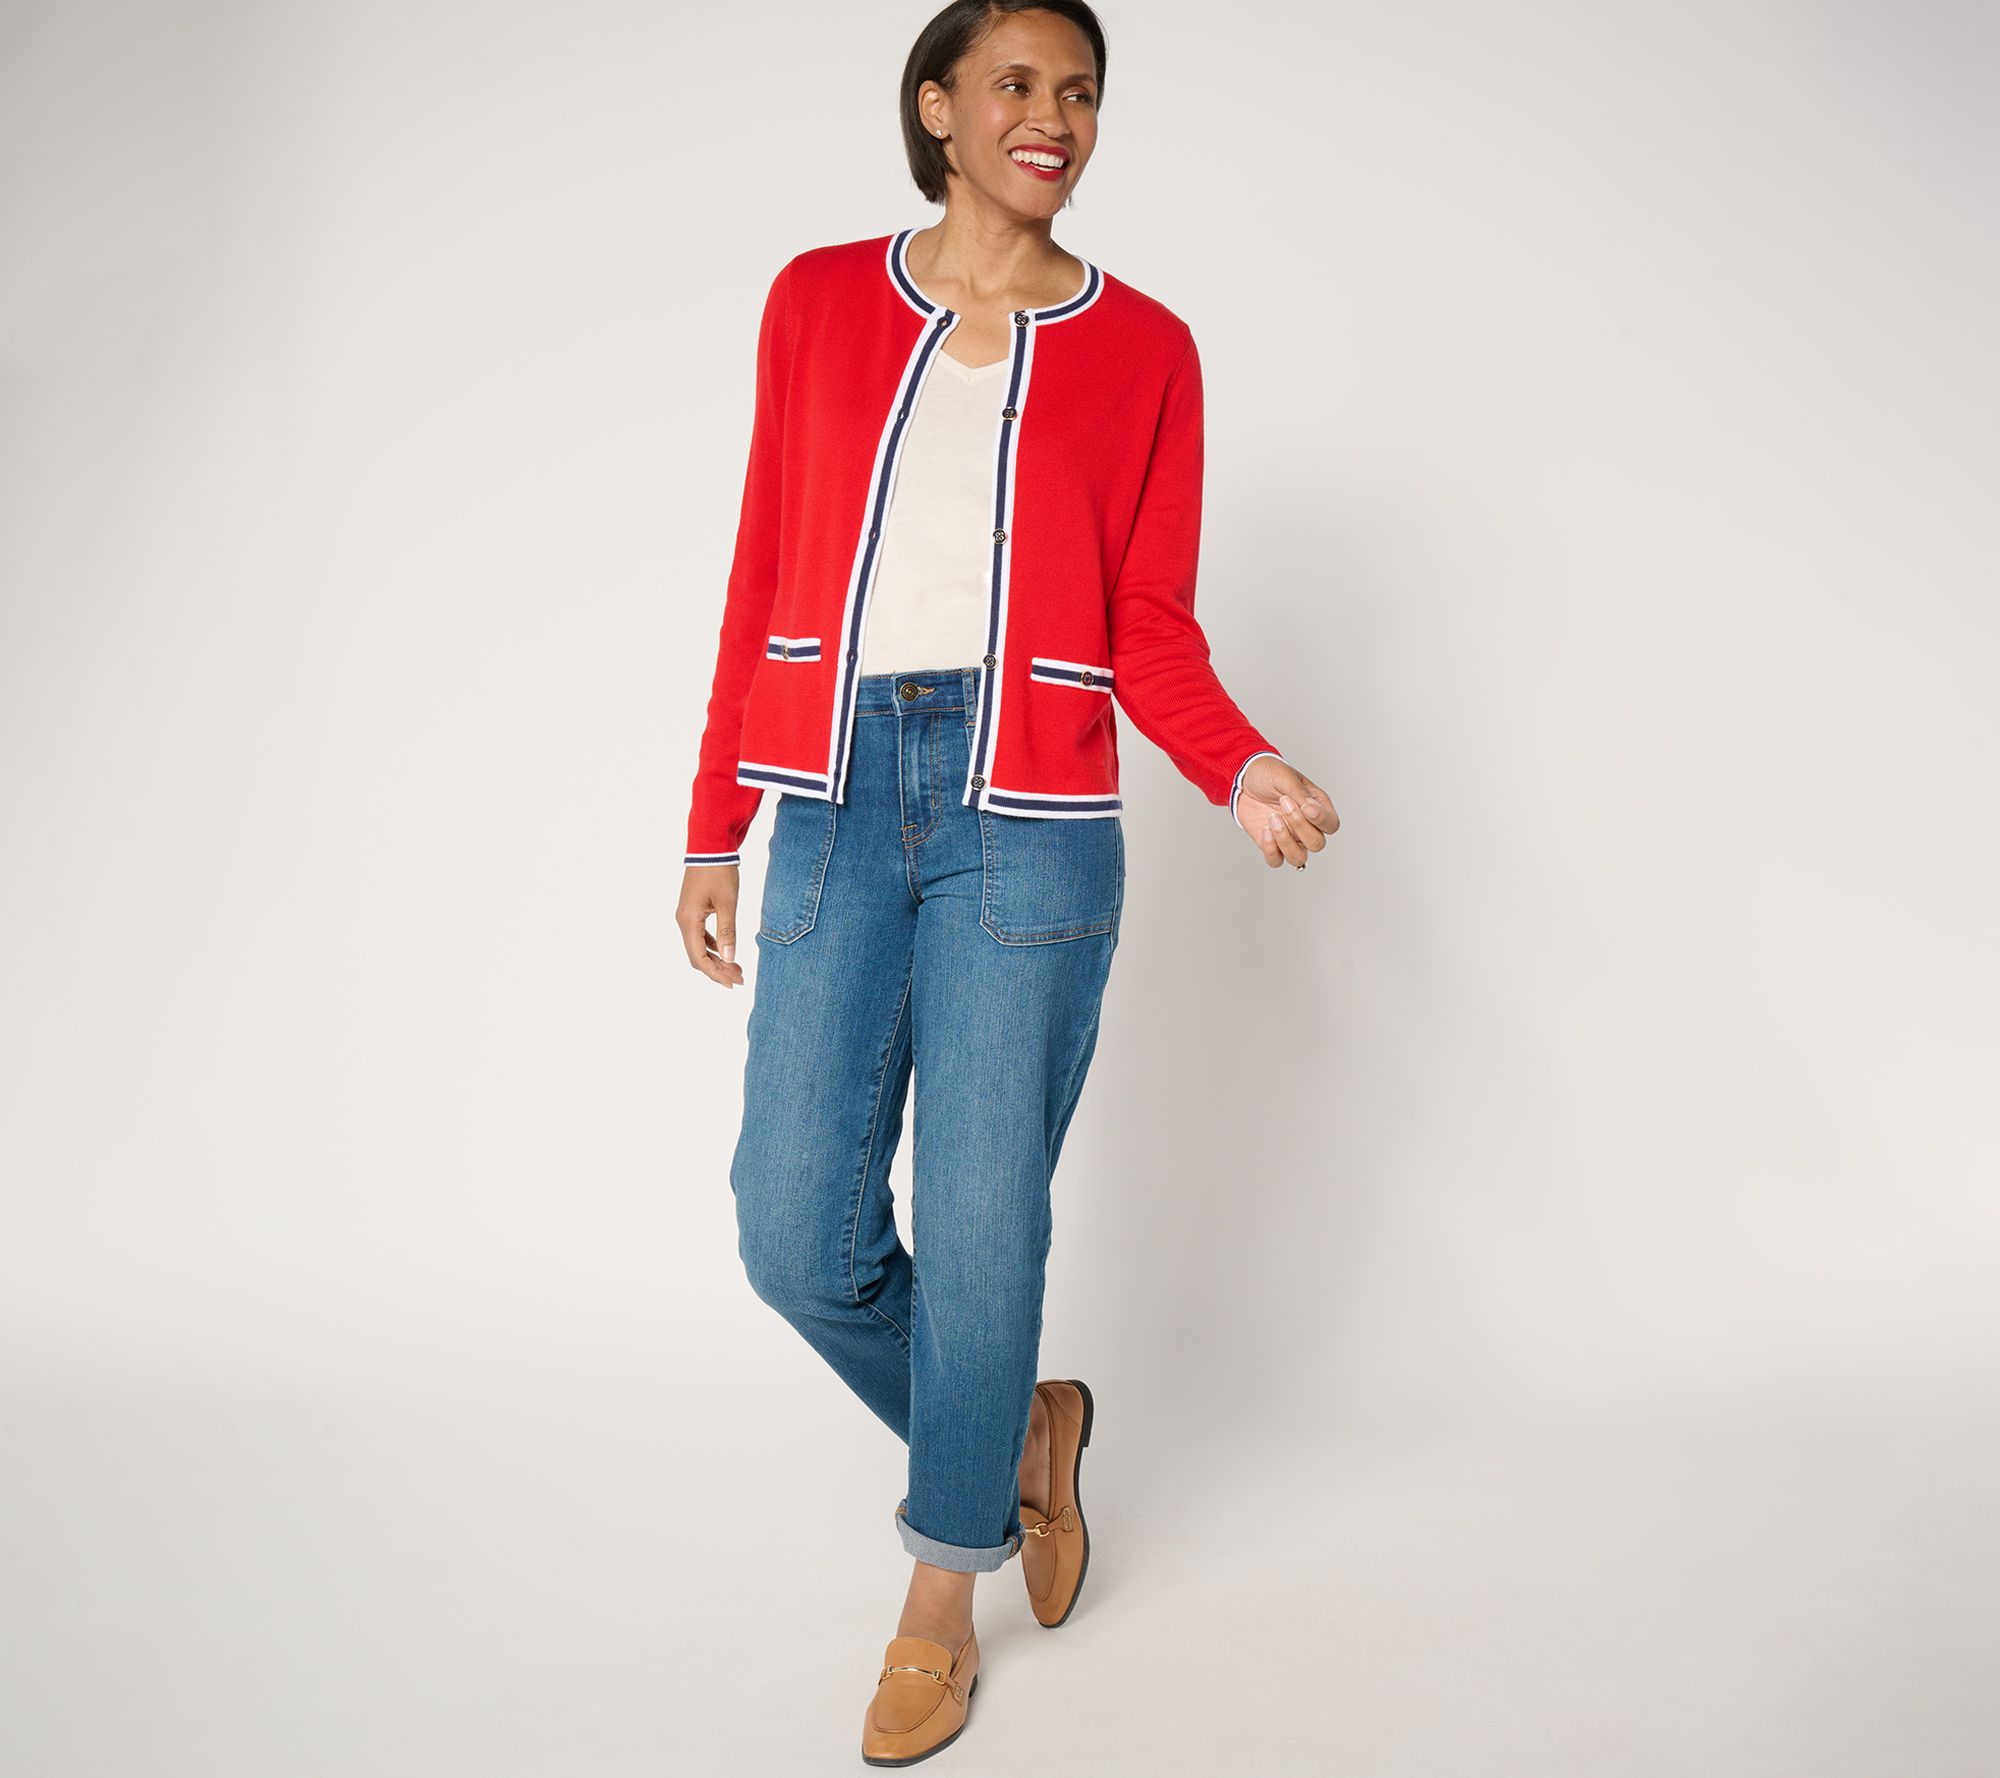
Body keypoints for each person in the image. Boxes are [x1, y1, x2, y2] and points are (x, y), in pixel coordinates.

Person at [675, 0, 1338, 1762]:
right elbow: (764, 561)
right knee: (792, 1231)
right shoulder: (818, 301)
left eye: (1084, 93)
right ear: (939, 107)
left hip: (1030, 814)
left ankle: (936, 1594)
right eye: (1021, 84)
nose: (1057, 115)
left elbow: (1149, 622)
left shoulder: (1149, 349)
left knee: (983, 1234)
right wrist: (712, 818)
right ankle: (1024, 1428)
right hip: (830, 795)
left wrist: (1239, 761)